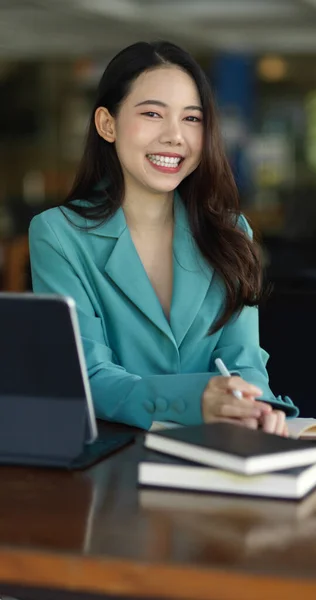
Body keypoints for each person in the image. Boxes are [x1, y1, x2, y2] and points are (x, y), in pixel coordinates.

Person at [29, 41, 298, 435]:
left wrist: (253, 406)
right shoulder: (59, 234)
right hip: (109, 463)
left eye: (192, 119)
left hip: (219, 456)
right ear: (107, 124)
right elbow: (87, 375)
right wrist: (195, 400)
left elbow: (244, 363)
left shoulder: (231, 232)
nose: (175, 137)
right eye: (153, 113)